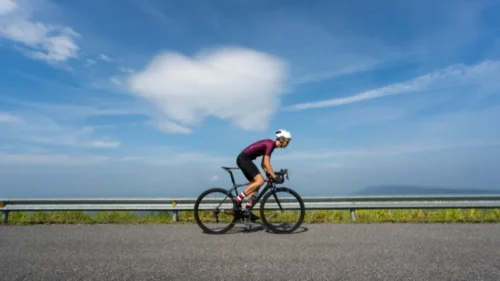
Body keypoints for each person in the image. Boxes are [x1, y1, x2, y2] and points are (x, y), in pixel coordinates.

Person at [234, 129, 292, 221]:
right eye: (287, 141)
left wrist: (269, 174)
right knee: (260, 181)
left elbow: (263, 164)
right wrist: (274, 177)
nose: (287, 143)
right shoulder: (270, 144)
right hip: (244, 159)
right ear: (281, 139)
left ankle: (247, 211)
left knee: (255, 186)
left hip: (244, 159)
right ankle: (237, 200)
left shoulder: (270, 145)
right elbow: (266, 162)